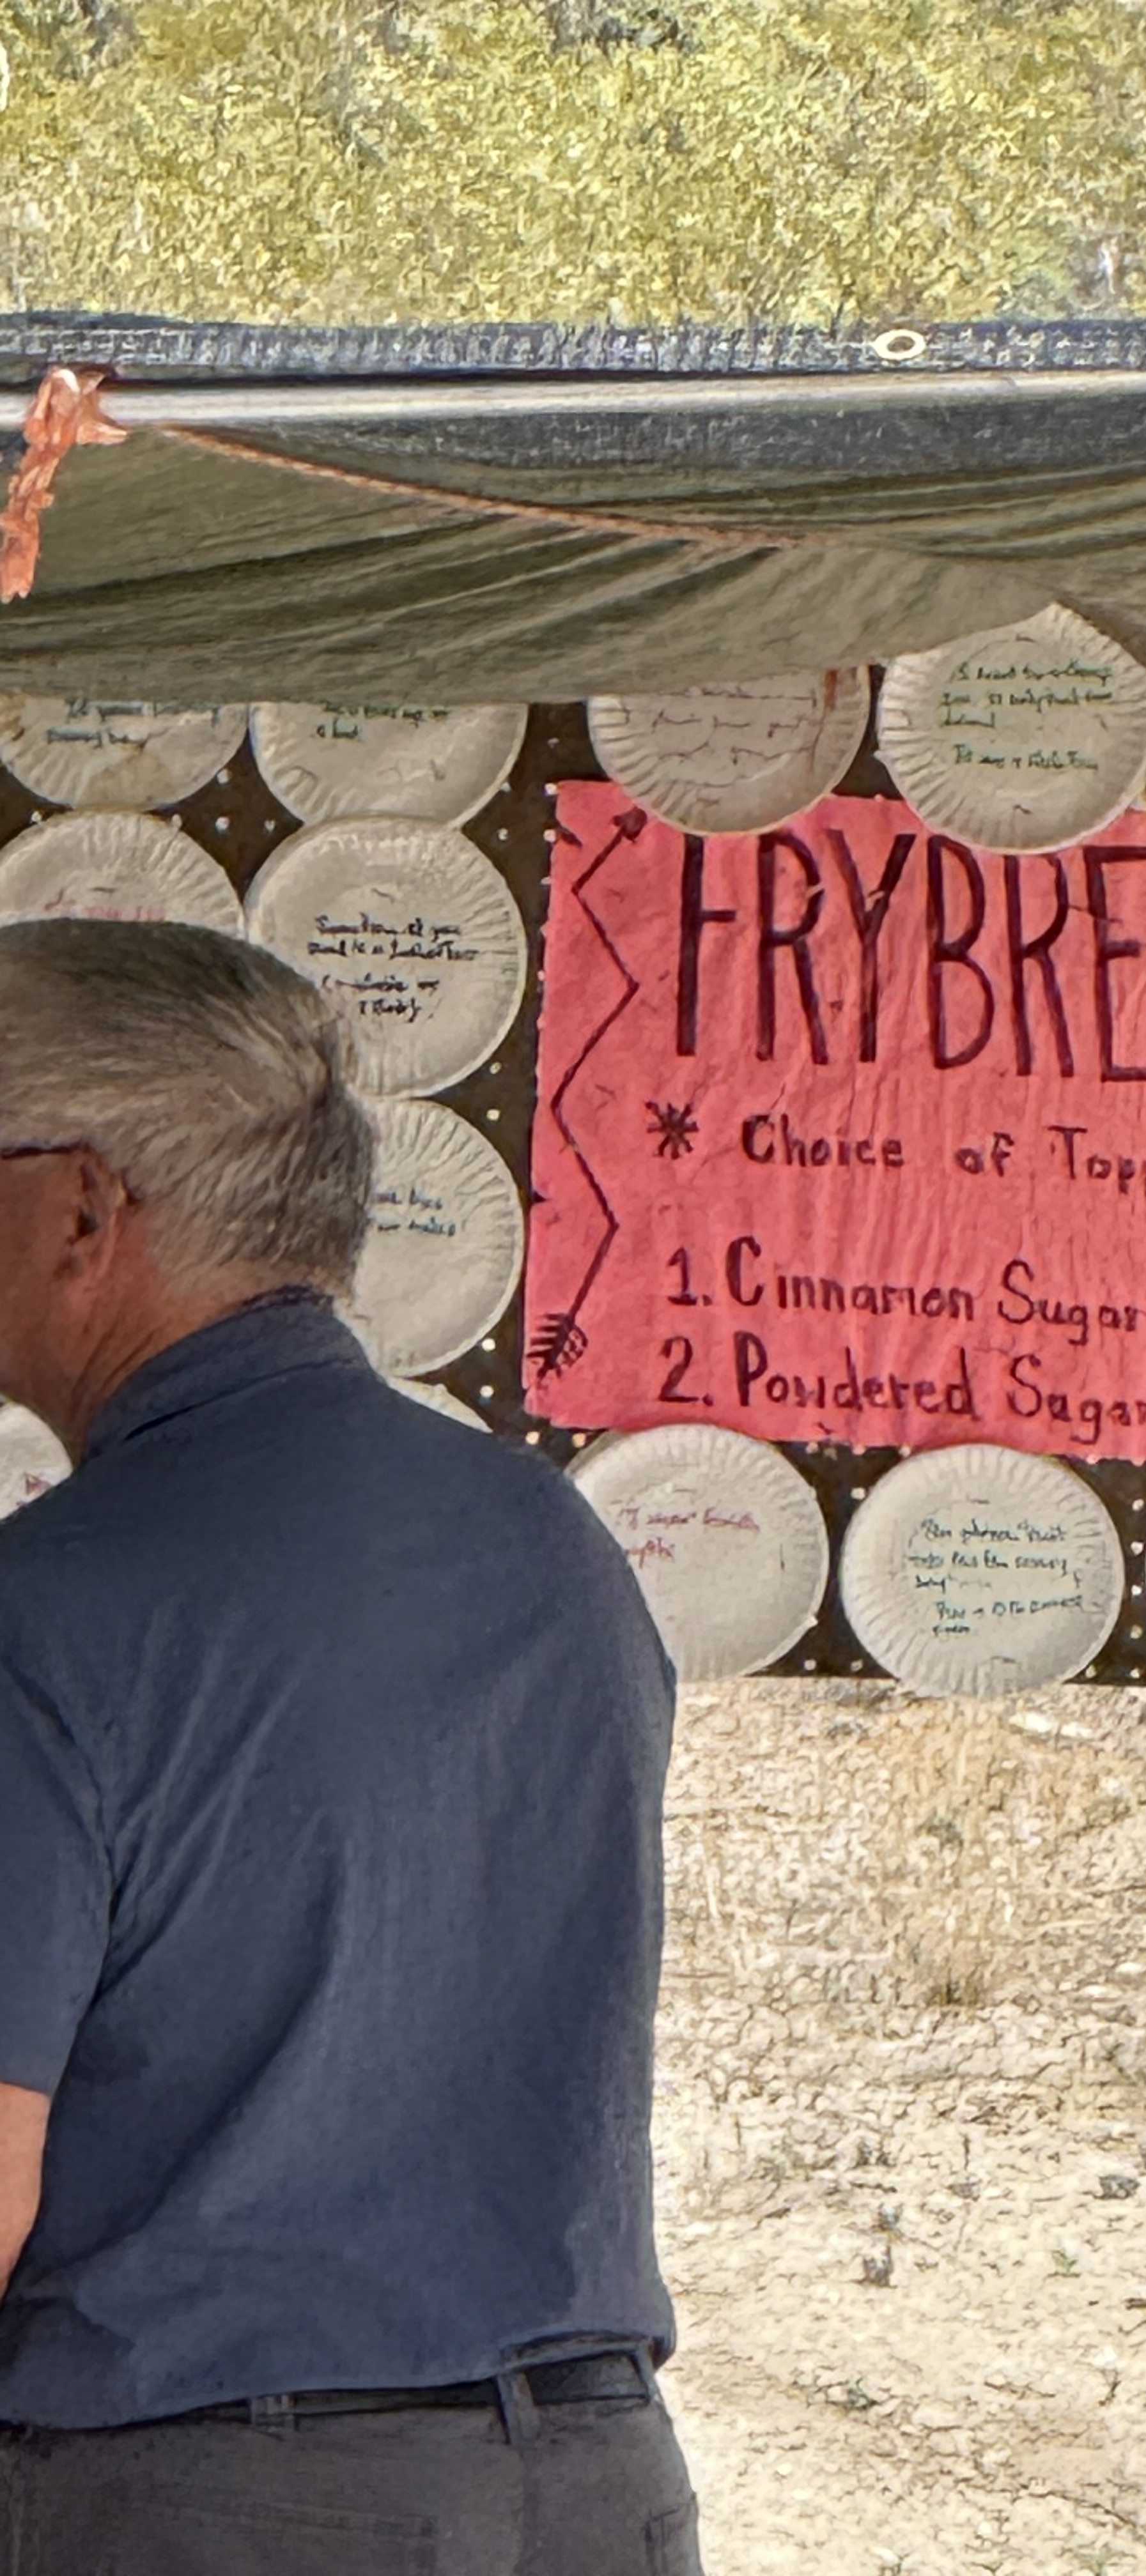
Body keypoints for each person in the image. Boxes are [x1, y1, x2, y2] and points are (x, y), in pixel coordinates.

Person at [0, 917, 701, 2574]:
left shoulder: (50, 1605)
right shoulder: (551, 1543)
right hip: (592, 2484)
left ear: (86, 1206)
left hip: (209, 2499)